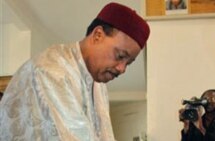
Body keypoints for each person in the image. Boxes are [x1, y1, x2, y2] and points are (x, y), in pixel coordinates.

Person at [0, 2, 150, 141]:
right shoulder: (51, 70)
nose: (122, 69)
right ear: (98, 35)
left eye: (128, 63)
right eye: (120, 56)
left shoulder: (99, 86)